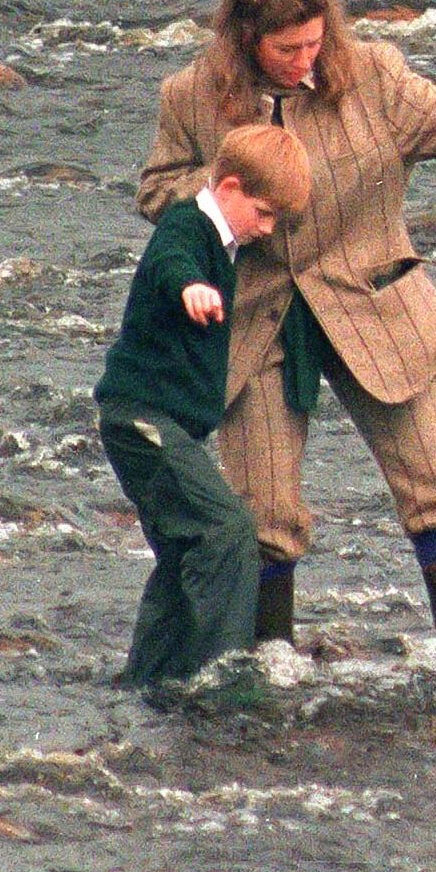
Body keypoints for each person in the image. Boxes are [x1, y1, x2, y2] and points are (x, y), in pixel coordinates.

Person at [137, 0, 436, 664]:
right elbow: (156, 191)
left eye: (313, 42)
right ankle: (267, 673)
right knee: (264, 517)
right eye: (287, 49)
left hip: (375, 305)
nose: (304, 58)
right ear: (245, 40)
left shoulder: (370, 74)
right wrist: (221, 190)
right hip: (255, 318)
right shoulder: (189, 95)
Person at [97, 124, 311, 685]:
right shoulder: (189, 226)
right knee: (228, 529)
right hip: (140, 417)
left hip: (158, 423)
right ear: (231, 186)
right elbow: (172, 260)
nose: (267, 230)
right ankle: (221, 681)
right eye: (263, 214)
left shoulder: (228, 242)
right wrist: (191, 285)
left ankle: (147, 681)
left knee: (184, 551)